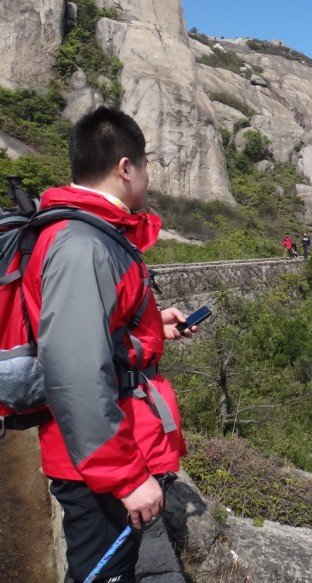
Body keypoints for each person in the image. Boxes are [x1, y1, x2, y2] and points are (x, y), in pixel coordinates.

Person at [20, 106, 192, 582]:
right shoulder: (82, 245)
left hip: (104, 450)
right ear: (125, 167)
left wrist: (156, 327)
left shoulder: (93, 233)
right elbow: (75, 369)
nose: (148, 177)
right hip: (97, 463)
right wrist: (127, 478)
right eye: (146, 165)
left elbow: (98, 330)